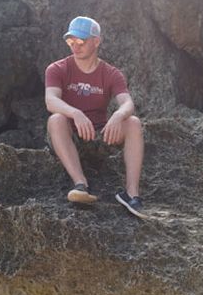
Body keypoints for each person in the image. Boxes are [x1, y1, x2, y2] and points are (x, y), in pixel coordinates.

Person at [45, 16, 147, 219]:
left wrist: (118, 115)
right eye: (71, 41)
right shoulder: (57, 69)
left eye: (81, 41)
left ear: (96, 41)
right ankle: (80, 185)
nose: (75, 46)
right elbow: (51, 100)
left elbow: (127, 102)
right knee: (55, 119)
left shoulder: (111, 73)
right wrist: (75, 113)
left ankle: (131, 194)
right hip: (68, 135)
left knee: (133, 123)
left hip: (99, 135)